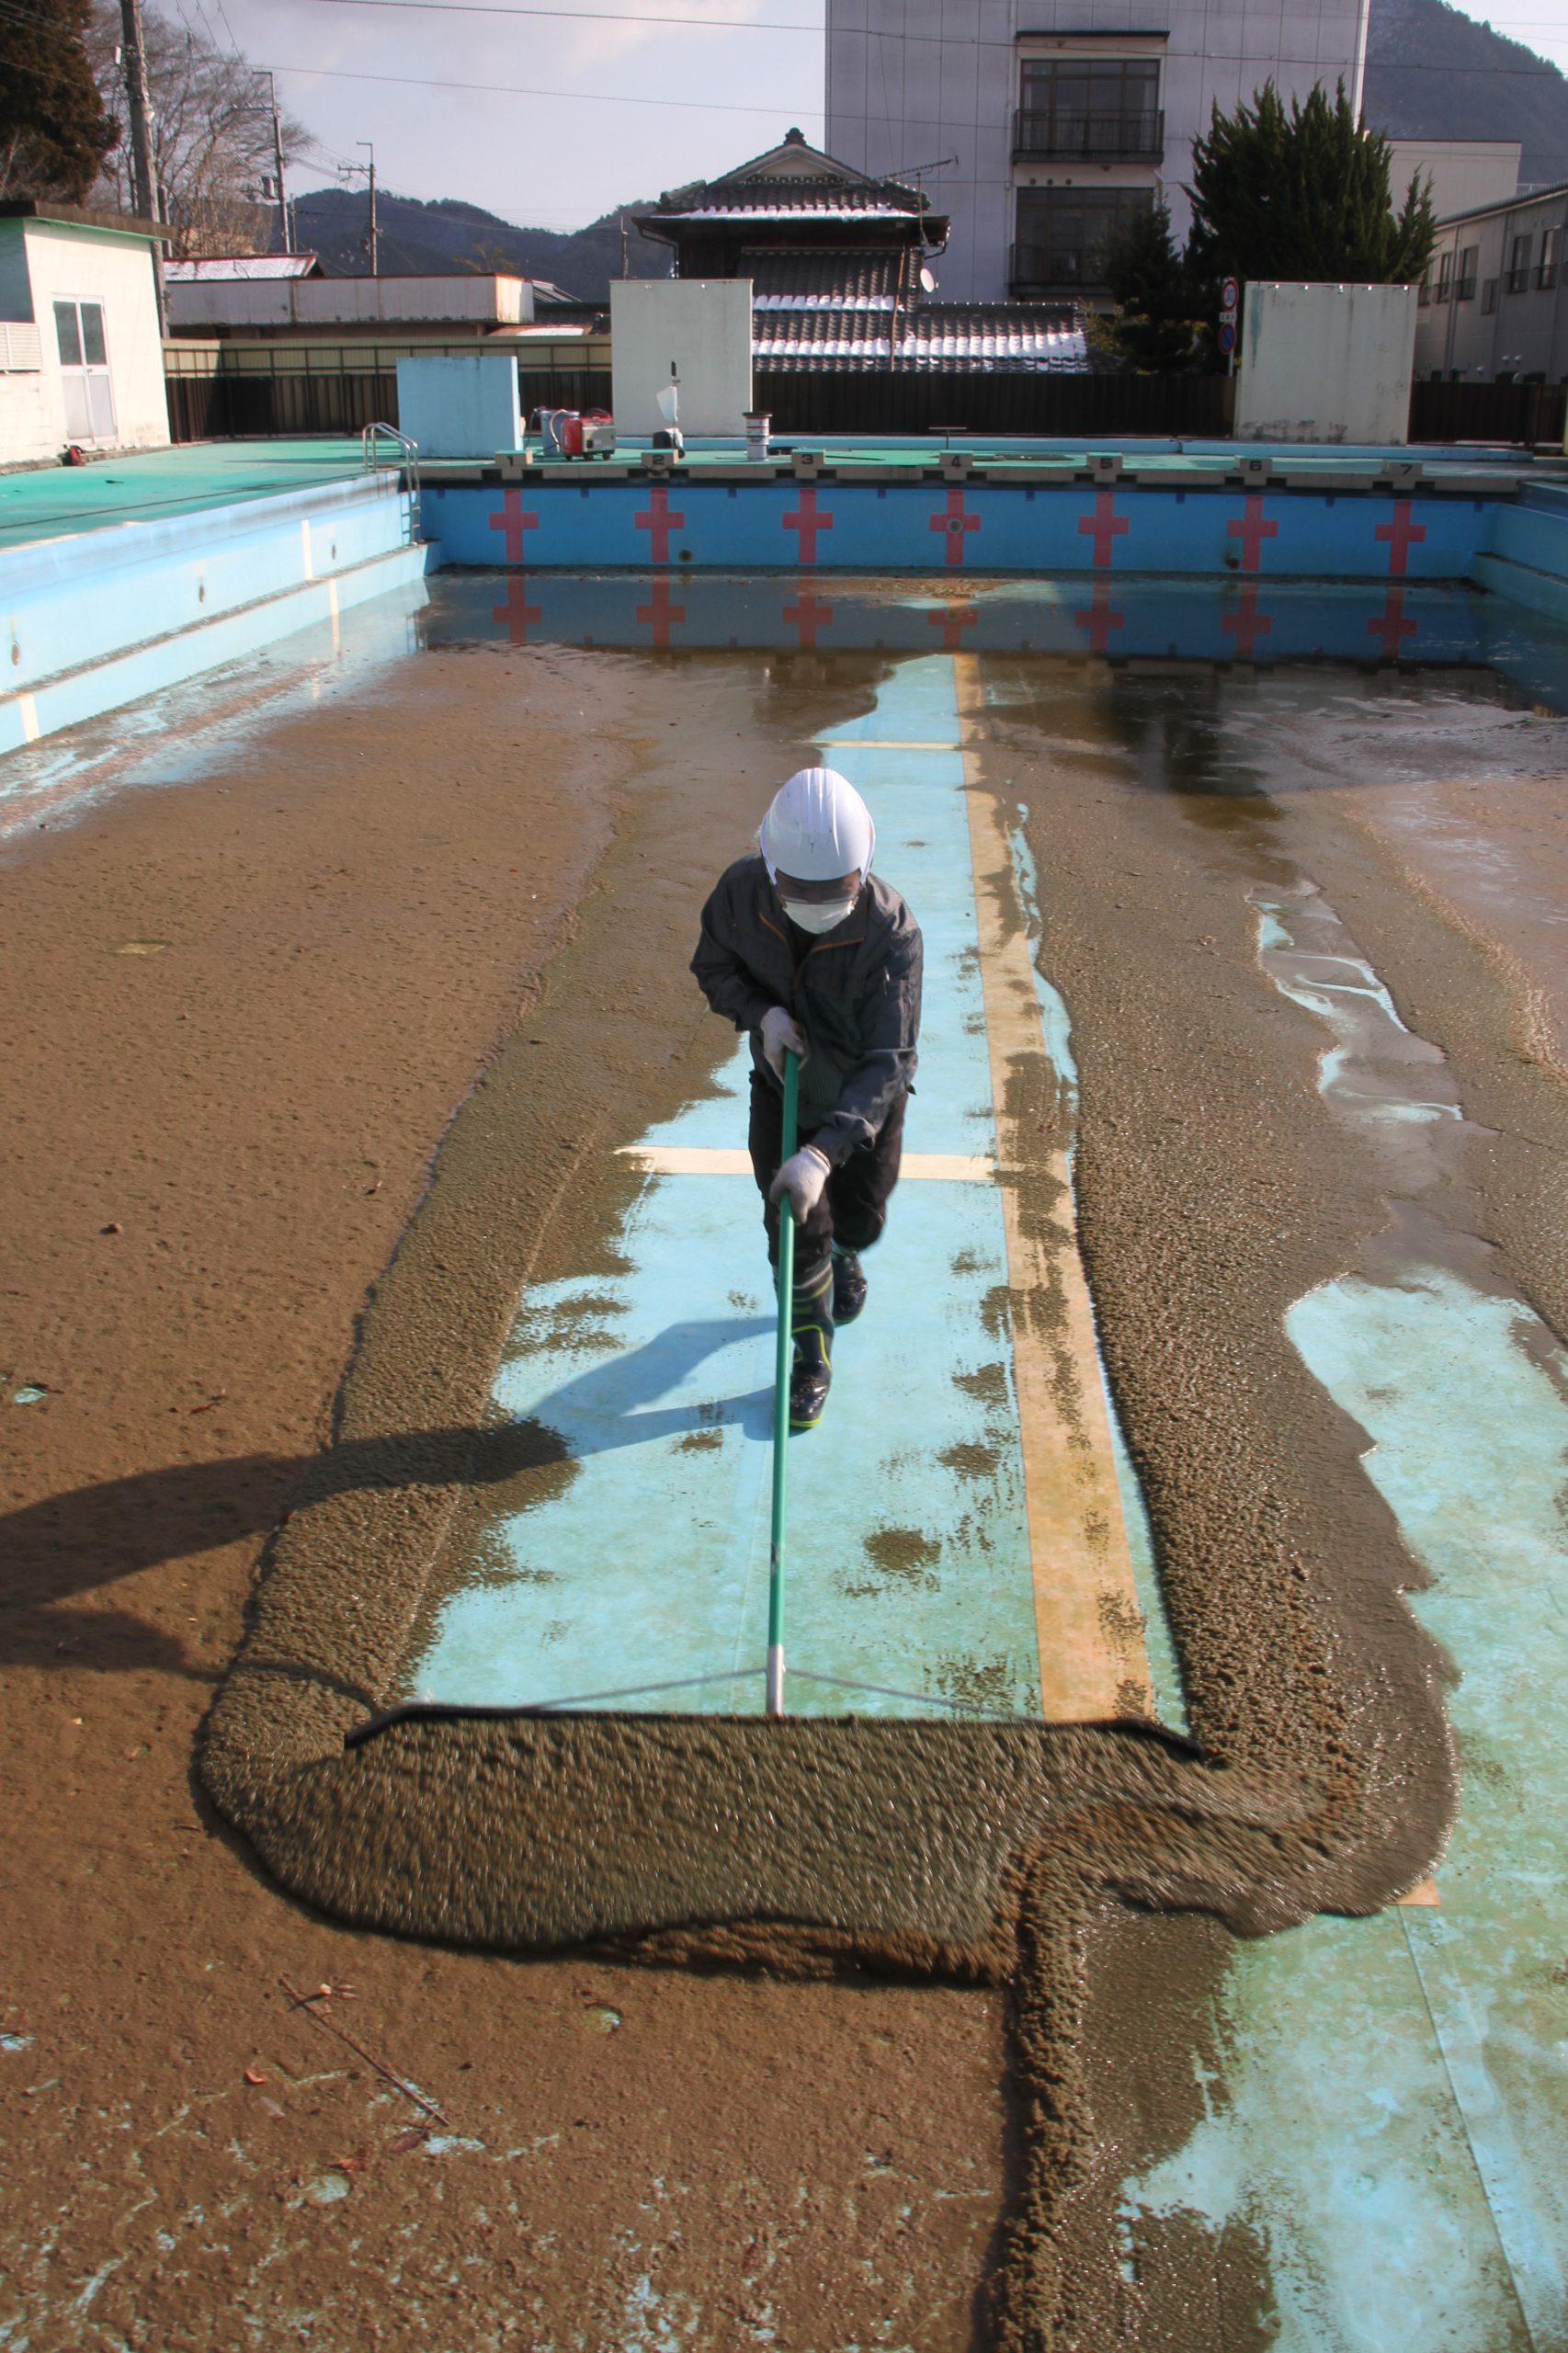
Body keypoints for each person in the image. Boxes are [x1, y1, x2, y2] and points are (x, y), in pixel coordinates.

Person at [691, 767, 923, 1429]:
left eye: (836, 888)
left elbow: (889, 1058)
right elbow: (713, 968)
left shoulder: (893, 933)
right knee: (793, 1230)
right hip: (781, 1088)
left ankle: (847, 1253)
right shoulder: (740, 896)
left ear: (864, 866)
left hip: (861, 1104)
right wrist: (760, 1014)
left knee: (858, 1221)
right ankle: (811, 1359)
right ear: (769, 867)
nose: (818, 898)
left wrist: (824, 1154)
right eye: (799, 888)